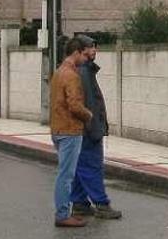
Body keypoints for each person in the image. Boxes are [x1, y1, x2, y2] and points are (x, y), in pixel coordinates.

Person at [70, 36, 122, 220]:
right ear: (82, 51)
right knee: (91, 166)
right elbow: (90, 104)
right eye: (92, 48)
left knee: (80, 166)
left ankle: (79, 203)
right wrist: (95, 129)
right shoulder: (84, 72)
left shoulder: (82, 70)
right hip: (87, 130)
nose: (95, 51)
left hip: (80, 129)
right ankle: (101, 204)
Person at [50, 37, 93, 227]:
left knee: (64, 173)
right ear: (76, 52)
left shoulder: (59, 72)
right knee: (66, 175)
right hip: (70, 130)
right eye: (84, 54)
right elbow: (74, 105)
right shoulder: (72, 75)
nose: (85, 59)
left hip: (58, 128)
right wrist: (88, 115)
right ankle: (62, 215)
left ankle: (63, 212)